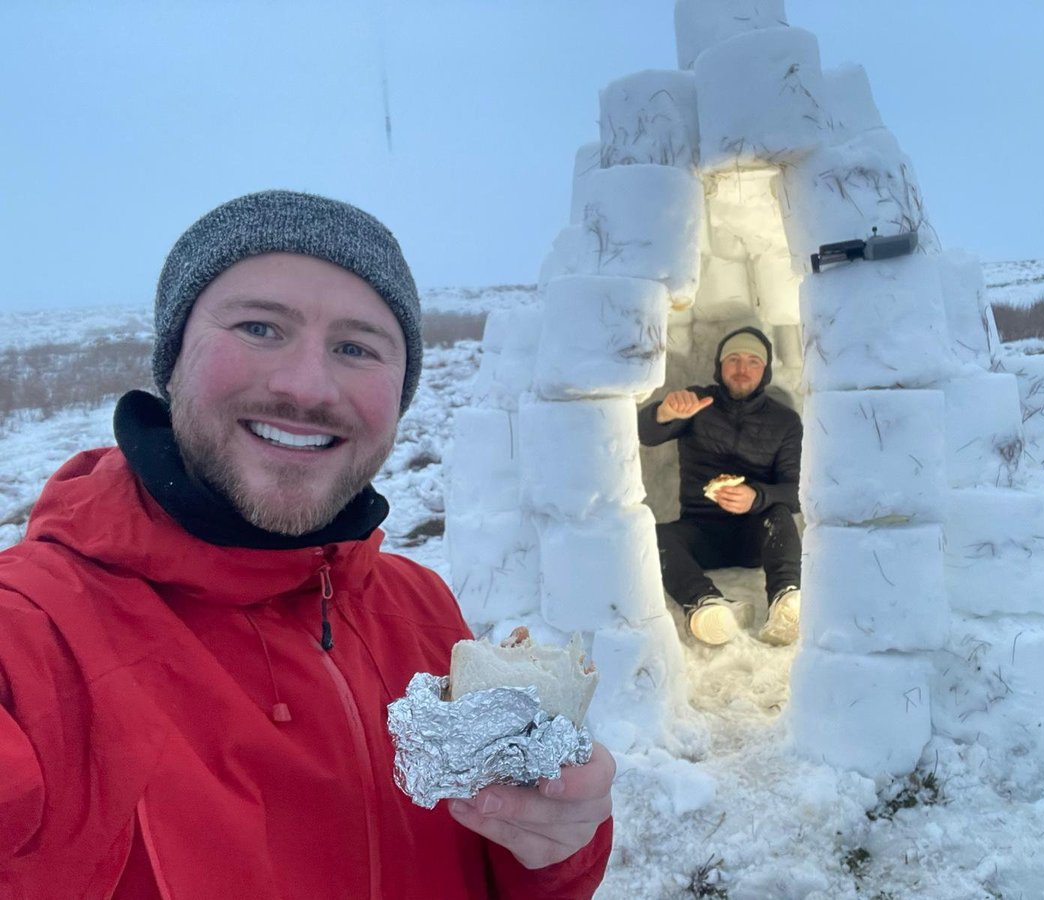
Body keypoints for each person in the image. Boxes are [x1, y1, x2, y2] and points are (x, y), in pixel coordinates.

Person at [0, 190, 613, 899]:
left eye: (356, 347)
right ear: (172, 360)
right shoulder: (33, 639)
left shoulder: (421, 610)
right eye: (260, 327)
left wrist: (554, 843)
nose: (305, 385)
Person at [638, 326, 803, 647]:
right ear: (720, 366)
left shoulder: (785, 421)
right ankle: (706, 604)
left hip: (757, 534)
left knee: (780, 514)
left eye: (753, 361)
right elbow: (648, 434)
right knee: (652, 536)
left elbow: (796, 491)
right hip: (701, 532)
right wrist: (663, 413)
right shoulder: (698, 404)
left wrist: (757, 497)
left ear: (765, 370)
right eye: (734, 359)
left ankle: (786, 601)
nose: (743, 369)